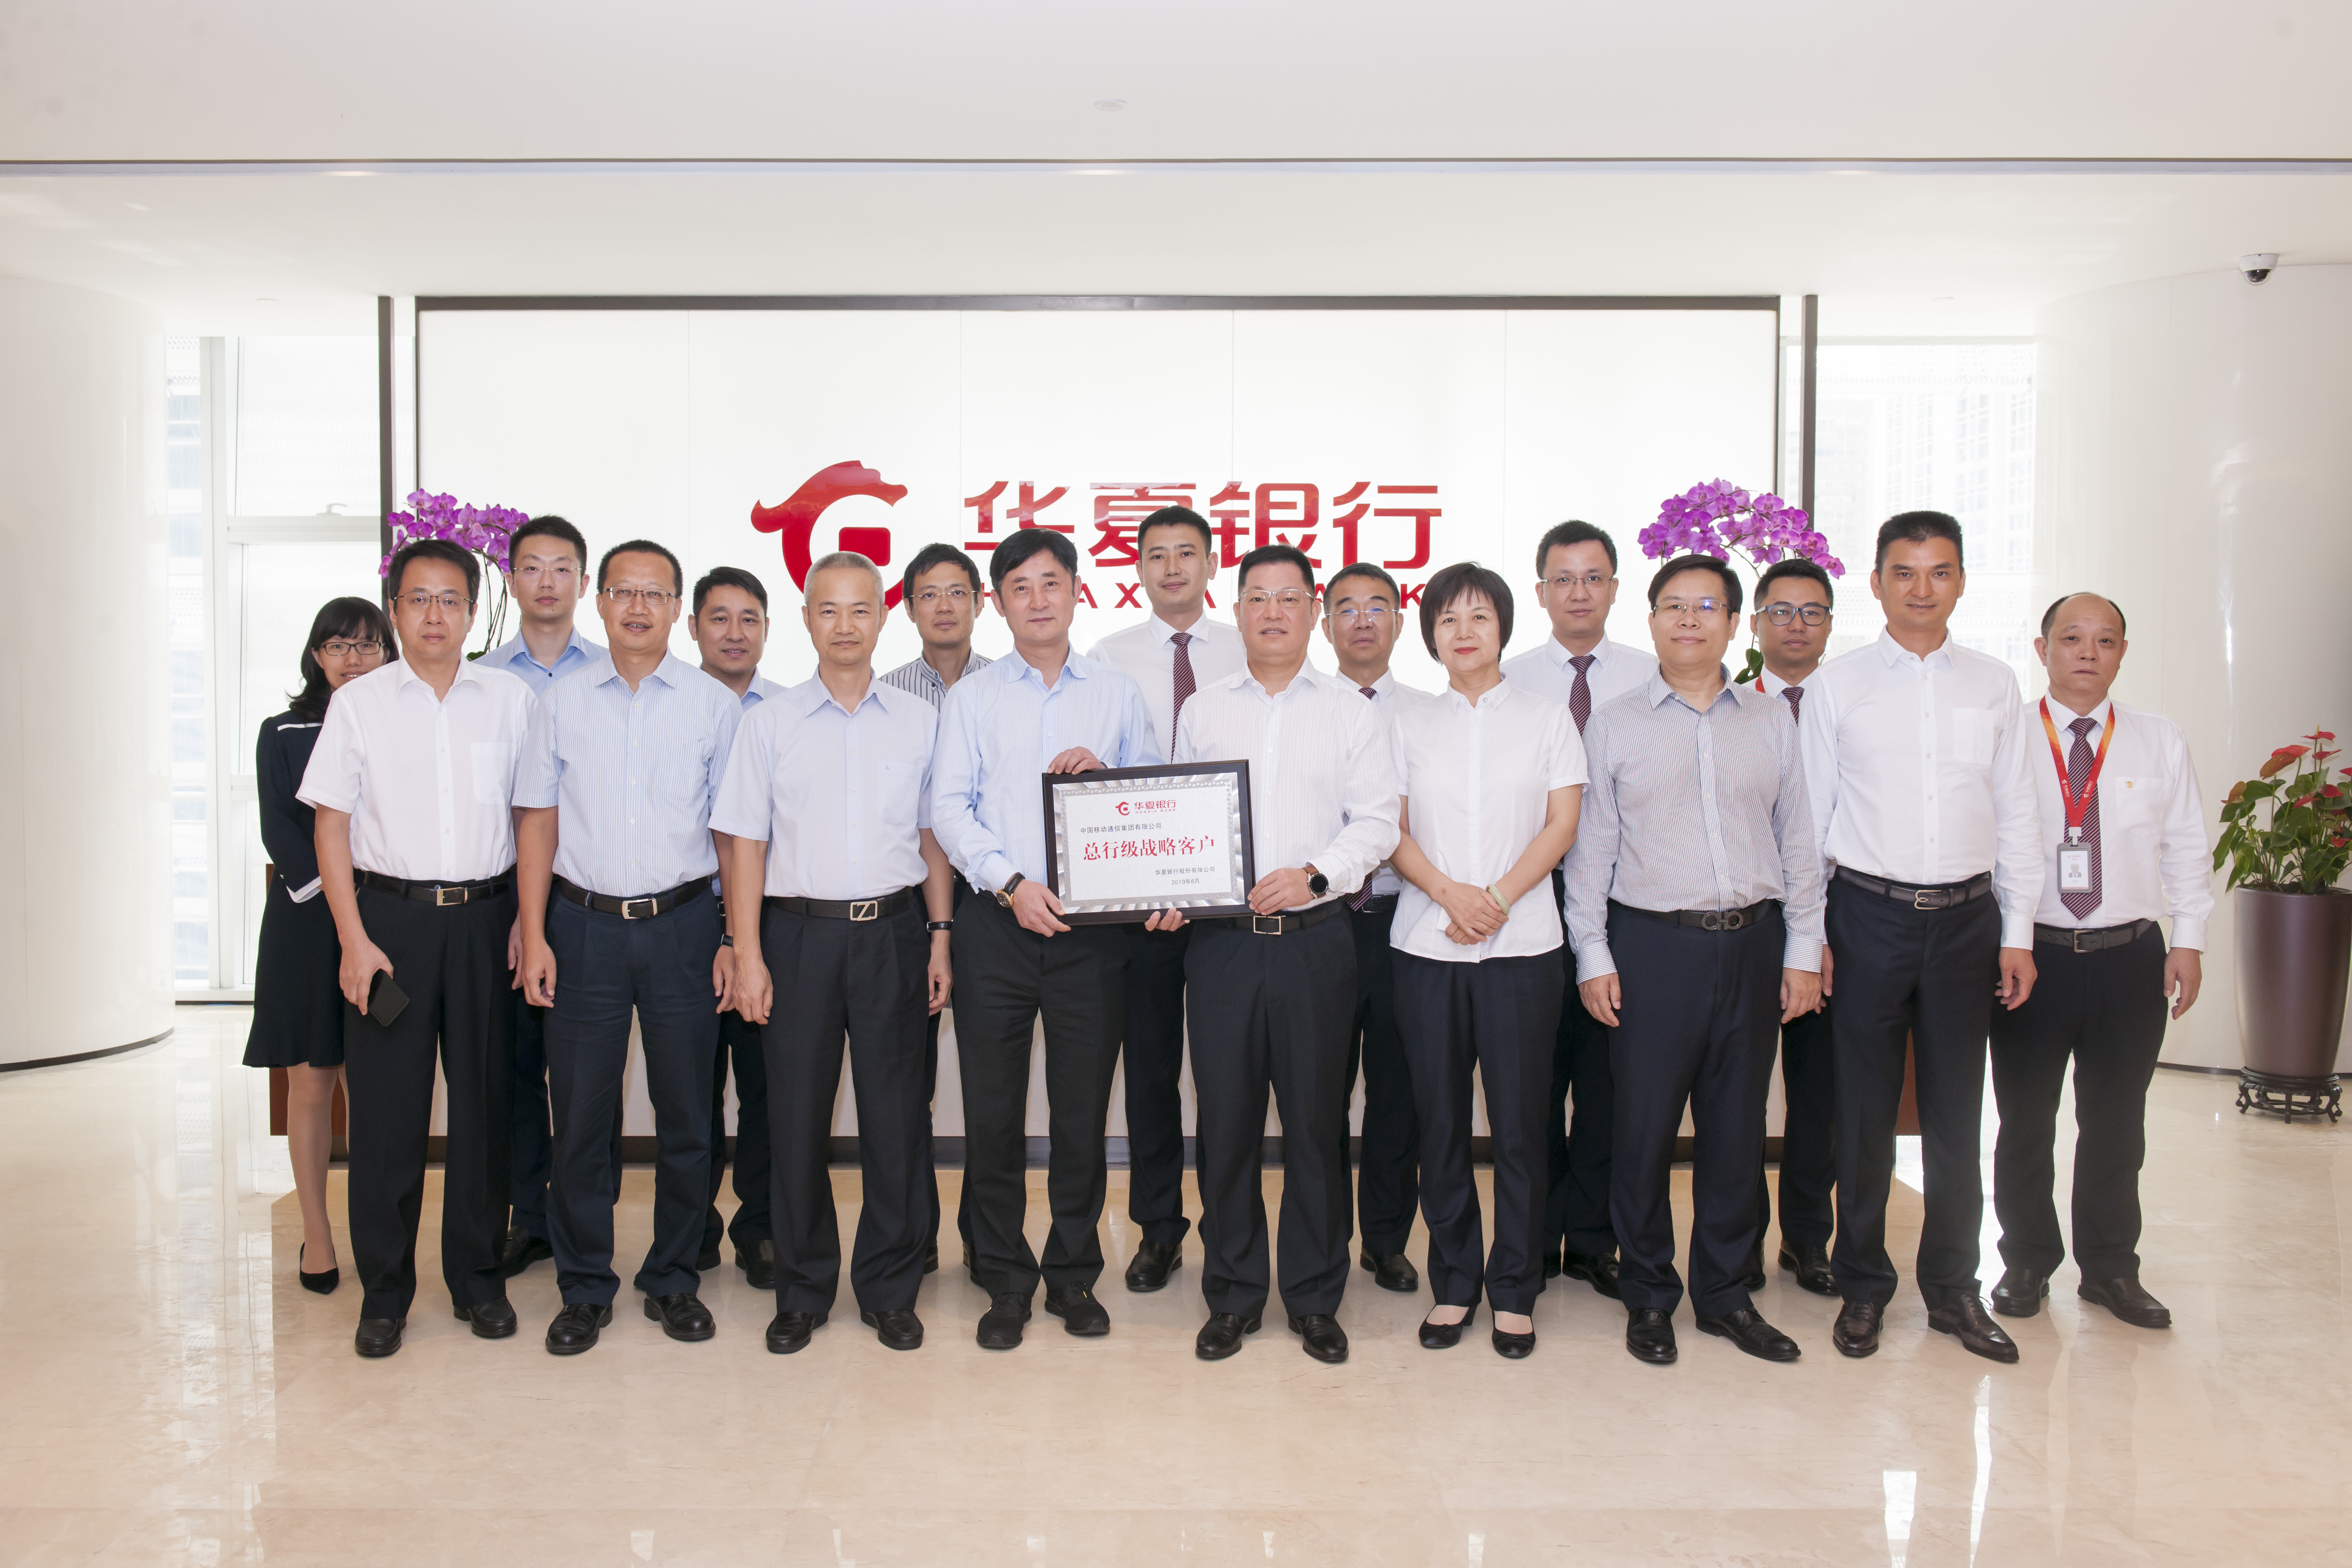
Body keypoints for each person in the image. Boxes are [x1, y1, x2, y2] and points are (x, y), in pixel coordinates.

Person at [1568, 555, 1824, 1367]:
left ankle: (1724, 1295)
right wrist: (1592, 954)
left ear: (1734, 623)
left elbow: (1798, 841)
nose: (1689, 619)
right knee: (1643, 1131)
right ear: (1650, 622)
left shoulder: (1770, 721)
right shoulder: (1614, 724)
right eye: (1673, 606)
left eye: (1707, 606)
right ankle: (1649, 1294)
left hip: (1753, 943)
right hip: (1652, 948)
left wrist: (1804, 950)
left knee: (1736, 1131)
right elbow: (1591, 852)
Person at [1799, 511, 2043, 1364]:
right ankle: (1863, 1286)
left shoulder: (1994, 685)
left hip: (1969, 922)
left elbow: (2018, 813)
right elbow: (1811, 821)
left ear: (1962, 582)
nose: (1921, 588)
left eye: (1940, 572)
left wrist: (2018, 932)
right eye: (1904, 572)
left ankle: (1952, 1288)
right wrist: (1810, 936)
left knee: (1954, 1112)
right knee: (1864, 1115)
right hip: (1866, 915)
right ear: (1877, 584)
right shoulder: (1838, 686)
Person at [715, 552, 957, 1353]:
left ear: (883, 618)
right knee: (794, 1119)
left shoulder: (920, 721)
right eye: (829, 610)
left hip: (894, 933)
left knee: (897, 1118)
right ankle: (803, 1289)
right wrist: (747, 953)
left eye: (860, 609)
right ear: (806, 620)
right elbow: (745, 844)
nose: (845, 625)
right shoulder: (770, 723)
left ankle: (890, 1288)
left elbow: (933, 839)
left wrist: (941, 937)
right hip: (797, 936)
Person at [1165, 543, 1400, 1365]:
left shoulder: (1350, 711)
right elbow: (1179, 817)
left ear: (1313, 611)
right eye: (1257, 597)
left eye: (1289, 598)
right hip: (1221, 949)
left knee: (1314, 1125)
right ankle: (1233, 1294)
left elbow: (1378, 822)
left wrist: (1315, 876)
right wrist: (1170, 882)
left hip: (1316, 945)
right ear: (1235, 612)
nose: (1272, 611)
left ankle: (1313, 1296)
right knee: (1226, 1124)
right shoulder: (1203, 711)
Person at [299, 538, 536, 1358]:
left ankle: (478, 1279)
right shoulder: (359, 705)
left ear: (472, 612)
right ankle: (385, 1295)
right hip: (389, 928)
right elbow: (330, 826)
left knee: (483, 1110)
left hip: (486, 922)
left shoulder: (509, 700)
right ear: (395, 610)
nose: (435, 615)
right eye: (418, 599)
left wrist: (527, 920)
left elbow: (531, 819)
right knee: (387, 1119)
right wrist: (353, 940)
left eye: (450, 600)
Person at [931, 527, 1160, 1350]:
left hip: (1092, 938)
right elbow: (949, 809)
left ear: (1076, 590)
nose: (1038, 600)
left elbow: (1153, 798)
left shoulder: (1118, 694)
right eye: (1020, 587)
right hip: (998, 926)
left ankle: (1072, 1276)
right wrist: (1011, 884)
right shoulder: (973, 699)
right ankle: (1004, 1278)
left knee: (1080, 1114)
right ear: (998, 603)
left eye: (1051, 583)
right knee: (992, 1115)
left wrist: (1109, 781)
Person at [513, 540, 740, 1355]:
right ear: (600, 601)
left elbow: (733, 833)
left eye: (655, 593)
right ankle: (584, 1286)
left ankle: (673, 1278)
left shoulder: (712, 706)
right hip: (582, 928)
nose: (639, 607)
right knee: (580, 1117)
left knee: (688, 1116)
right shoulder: (561, 703)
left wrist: (731, 938)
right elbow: (537, 823)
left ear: (677, 609)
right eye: (624, 592)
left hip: (684, 926)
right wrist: (534, 931)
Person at [1989, 593, 2212, 1332]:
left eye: (2105, 640)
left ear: (2122, 653)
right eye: (2072, 638)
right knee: (2026, 1119)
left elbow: (2186, 845)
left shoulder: (2158, 739)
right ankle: (2026, 1260)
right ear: (2042, 649)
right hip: (2032, 956)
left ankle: (2111, 1268)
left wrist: (2189, 940)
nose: (2088, 652)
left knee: (2117, 1122)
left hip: (2130, 958)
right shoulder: (2008, 736)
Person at [1386, 563, 1581, 1358]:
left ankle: (1516, 1288)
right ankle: (1456, 1281)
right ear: (1431, 636)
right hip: (1426, 944)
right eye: (1447, 620)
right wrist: (1449, 895)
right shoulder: (1405, 722)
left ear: (1504, 626)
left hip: (1522, 947)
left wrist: (1494, 900)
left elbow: (1561, 825)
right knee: (1439, 1124)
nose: (1463, 632)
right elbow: (1390, 827)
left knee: (1522, 1128)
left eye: (1479, 617)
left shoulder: (1547, 718)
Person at [1087, 506, 1246, 1293]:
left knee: (1224, 1076)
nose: (1173, 567)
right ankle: (1158, 1230)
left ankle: (1228, 1229)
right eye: (1157, 554)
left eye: (1188, 552)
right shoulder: (1106, 658)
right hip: (1139, 907)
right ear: (1139, 568)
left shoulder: (1251, 646)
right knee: (1150, 1072)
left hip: (1229, 906)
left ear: (1212, 564)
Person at [1499, 520, 1658, 1300]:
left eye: (1594, 578)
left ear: (1616, 589)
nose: (1579, 593)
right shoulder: (1508, 679)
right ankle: (1532, 1239)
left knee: (1606, 1083)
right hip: (1531, 899)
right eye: (1563, 580)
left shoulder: (1652, 676)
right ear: (1540, 593)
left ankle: (1593, 1239)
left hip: (1626, 904)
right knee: (1532, 1081)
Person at [243, 597, 391, 1295]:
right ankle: (319, 1235)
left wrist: (374, 911)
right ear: (316, 656)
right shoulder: (283, 732)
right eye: (339, 646)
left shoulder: (403, 723)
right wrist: (343, 911)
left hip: (387, 922)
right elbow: (282, 830)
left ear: (388, 654)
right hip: (306, 927)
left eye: (367, 646)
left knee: (378, 1083)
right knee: (311, 1082)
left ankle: (377, 1236)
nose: (353, 659)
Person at [476, 513, 607, 1284]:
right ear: (511, 578)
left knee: (589, 1077)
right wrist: (523, 918)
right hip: (507, 895)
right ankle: (530, 1218)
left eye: (563, 568)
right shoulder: (483, 680)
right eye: (532, 567)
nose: (548, 581)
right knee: (518, 1066)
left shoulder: (614, 671)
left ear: (584, 584)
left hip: (587, 897)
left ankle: (586, 1222)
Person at [879, 541, 992, 1279]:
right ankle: (913, 1231)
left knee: (990, 1085)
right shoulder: (883, 694)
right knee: (905, 1084)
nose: (944, 606)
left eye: (957, 592)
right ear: (909, 608)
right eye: (929, 594)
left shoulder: (1008, 686)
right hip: (902, 912)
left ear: (981, 602)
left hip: (989, 905)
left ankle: (986, 1238)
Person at [1319, 560, 1430, 1295]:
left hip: (1404, 917)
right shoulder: (1305, 705)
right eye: (1347, 608)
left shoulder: (1431, 712)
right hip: (1324, 922)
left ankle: (1386, 1240)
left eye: (1378, 607)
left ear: (1399, 621)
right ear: (1325, 623)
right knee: (1319, 1089)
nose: (1363, 620)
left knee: (1399, 1089)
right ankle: (1326, 1237)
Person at [1744, 559, 1841, 1298]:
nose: (1796, 625)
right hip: (1746, 926)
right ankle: (1739, 1241)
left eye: (1812, 612)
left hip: (1839, 925)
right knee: (1738, 1098)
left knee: (1820, 1095)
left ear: (1831, 624)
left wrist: (1822, 934)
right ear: (1754, 624)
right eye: (1781, 611)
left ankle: (1807, 1240)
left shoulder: (1850, 706)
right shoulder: (1729, 709)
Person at [689, 565, 788, 1292]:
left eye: (749, 618)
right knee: (691, 1087)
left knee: (765, 1087)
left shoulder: (788, 712)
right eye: (719, 618)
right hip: (688, 922)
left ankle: (760, 1228)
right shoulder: (670, 704)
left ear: (768, 629)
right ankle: (693, 1227)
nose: (734, 632)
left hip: (766, 927)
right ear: (693, 626)